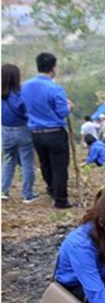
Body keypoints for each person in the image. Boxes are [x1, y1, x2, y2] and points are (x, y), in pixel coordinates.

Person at [21, 52, 73, 209]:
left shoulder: (25, 87)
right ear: (53, 68)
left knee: (45, 163)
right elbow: (62, 112)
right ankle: (61, 199)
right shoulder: (55, 88)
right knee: (59, 166)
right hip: (54, 132)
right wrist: (69, 106)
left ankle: (51, 189)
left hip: (36, 133)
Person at [2, 64, 38, 203]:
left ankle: (3, 191)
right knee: (27, 162)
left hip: (5, 131)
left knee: (8, 161)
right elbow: (28, 113)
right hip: (22, 130)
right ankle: (27, 194)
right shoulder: (20, 96)